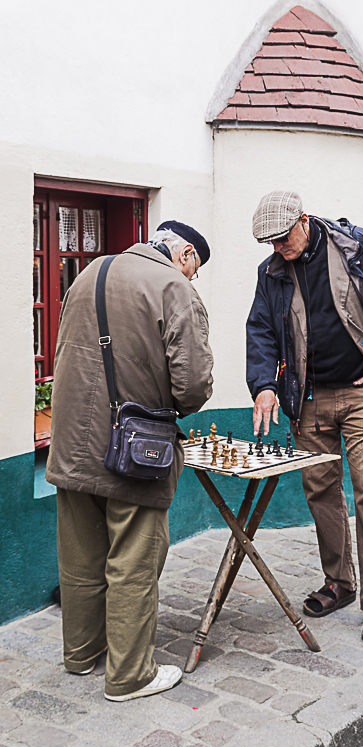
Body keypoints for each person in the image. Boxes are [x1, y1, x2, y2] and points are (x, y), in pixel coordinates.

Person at [46, 221, 214, 701]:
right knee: (134, 559)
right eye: (195, 268)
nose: (193, 277)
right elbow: (193, 386)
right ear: (183, 254)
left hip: (71, 437)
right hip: (134, 447)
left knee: (79, 555)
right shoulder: (173, 288)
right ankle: (129, 675)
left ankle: (81, 655)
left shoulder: (90, 271)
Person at [247, 190, 363, 642]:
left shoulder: (357, 245)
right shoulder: (272, 271)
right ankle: (339, 581)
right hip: (309, 396)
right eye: (270, 244)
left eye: (282, 238)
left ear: (303, 220)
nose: (278, 248)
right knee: (319, 488)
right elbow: (260, 328)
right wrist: (263, 385)